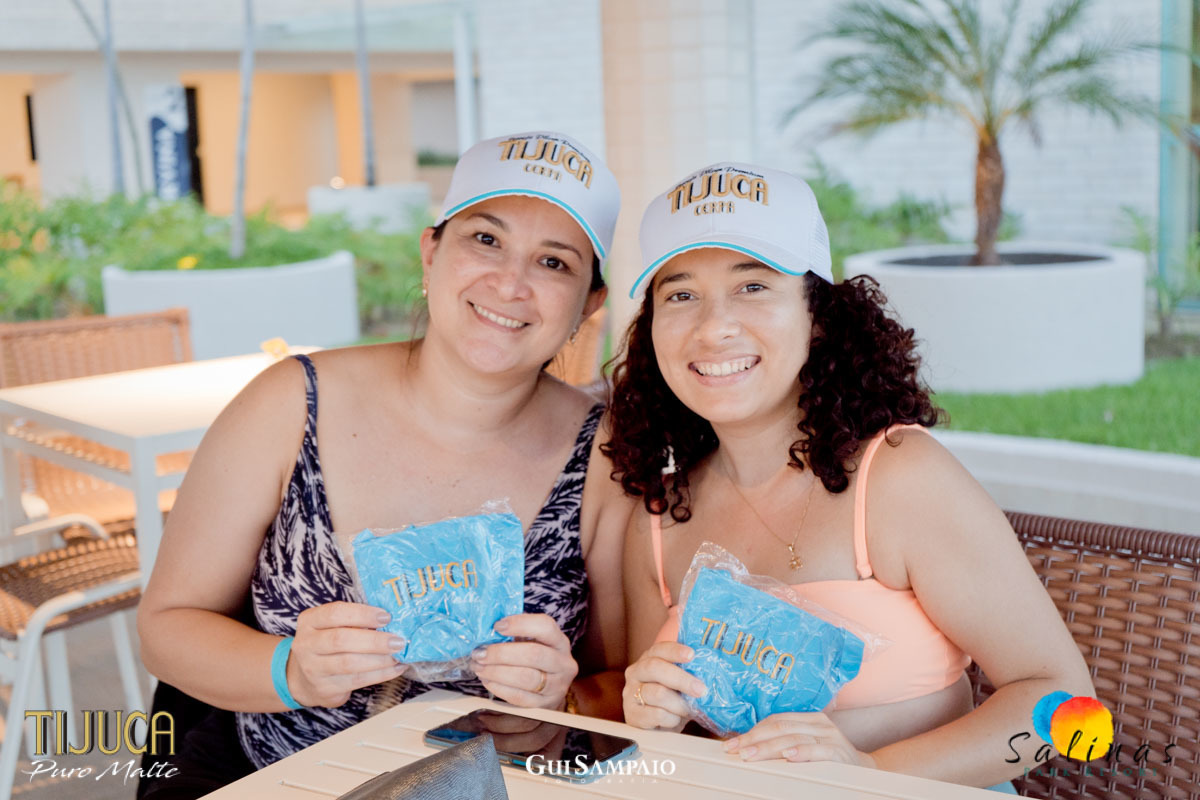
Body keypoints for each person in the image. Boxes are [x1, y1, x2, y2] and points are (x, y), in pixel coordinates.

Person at [137, 131, 633, 797]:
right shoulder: (290, 403)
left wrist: (562, 700)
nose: (510, 283)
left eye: (554, 262)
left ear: (589, 305)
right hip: (273, 777)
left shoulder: (603, 454)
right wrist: (292, 670)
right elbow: (167, 628)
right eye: (485, 239)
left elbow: (622, 686)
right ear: (431, 252)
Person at [603, 162, 1095, 790]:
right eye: (680, 294)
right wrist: (653, 721)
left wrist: (867, 772)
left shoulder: (899, 477)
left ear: (818, 315)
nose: (713, 326)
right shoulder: (658, 521)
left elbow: (1067, 708)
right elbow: (671, 755)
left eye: (752, 285)